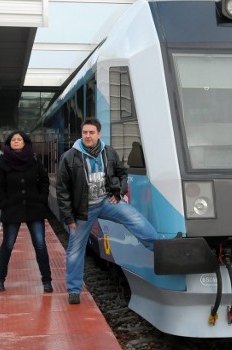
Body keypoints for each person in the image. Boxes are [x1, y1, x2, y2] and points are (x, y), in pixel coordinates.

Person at [56, 117, 159, 305]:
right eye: (85, 132)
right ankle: (73, 290)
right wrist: (68, 216)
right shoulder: (69, 157)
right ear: (82, 134)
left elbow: (122, 173)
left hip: (105, 202)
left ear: (98, 134)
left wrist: (119, 191)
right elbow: (62, 189)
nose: (88, 136)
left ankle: (159, 248)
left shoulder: (109, 152)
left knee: (134, 218)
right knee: (75, 250)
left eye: (91, 133)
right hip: (82, 210)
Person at [0, 131, 52, 293]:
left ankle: (47, 280)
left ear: (25, 142)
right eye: (14, 139)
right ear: (9, 143)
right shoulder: (4, 162)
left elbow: (44, 180)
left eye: (19, 139)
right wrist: (4, 204)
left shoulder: (33, 159)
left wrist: (41, 198)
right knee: (8, 244)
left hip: (34, 208)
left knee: (40, 244)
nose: (17, 141)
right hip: (12, 209)